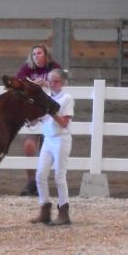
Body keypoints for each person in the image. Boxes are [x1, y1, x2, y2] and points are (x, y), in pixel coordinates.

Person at [30, 68, 75, 226]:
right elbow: (38, 119)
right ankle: (44, 209)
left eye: (55, 80)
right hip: (48, 139)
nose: (51, 83)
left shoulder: (67, 98)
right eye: (49, 80)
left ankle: (64, 212)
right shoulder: (47, 97)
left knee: (59, 176)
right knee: (40, 174)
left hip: (61, 139)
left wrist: (50, 110)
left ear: (62, 82)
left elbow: (64, 122)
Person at [16, 44, 62, 196]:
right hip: (34, 113)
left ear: (46, 55)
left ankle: (40, 182)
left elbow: (62, 83)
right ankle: (30, 181)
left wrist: (47, 84)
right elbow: (18, 83)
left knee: (46, 149)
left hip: (49, 112)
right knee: (29, 146)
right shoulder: (27, 69)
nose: (36, 56)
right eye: (34, 53)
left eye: (39, 53)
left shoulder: (54, 67)